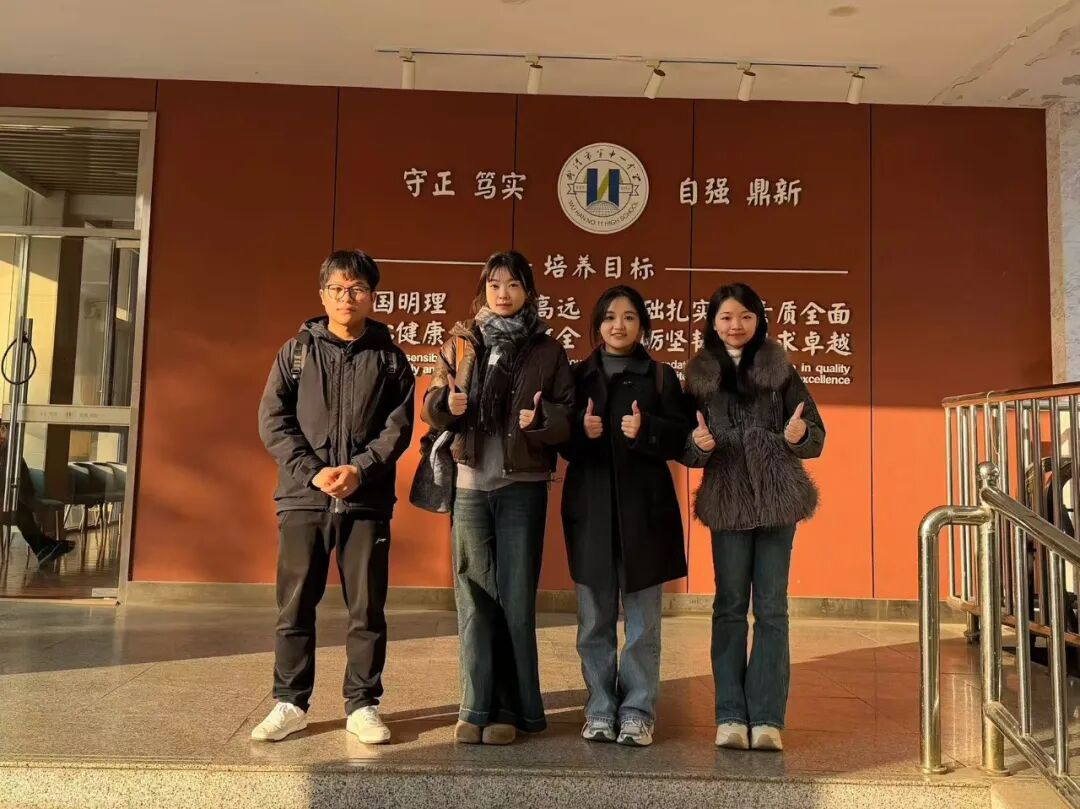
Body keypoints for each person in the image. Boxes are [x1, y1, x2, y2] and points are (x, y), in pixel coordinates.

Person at [253, 249, 415, 744]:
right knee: (294, 606)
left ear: (372, 296)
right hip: (303, 499)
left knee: (367, 609)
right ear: (322, 295)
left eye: (358, 288)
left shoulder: (391, 359)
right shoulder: (296, 353)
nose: (348, 297)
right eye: (338, 289)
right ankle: (290, 702)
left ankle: (363, 705)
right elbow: (273, 421)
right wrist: (314, 472)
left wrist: (360, 470)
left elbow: (397, 429)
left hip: (366, 502)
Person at [422, 250, 574, 746]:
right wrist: (446, 404)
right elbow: (430, 402)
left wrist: (544, 420)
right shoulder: (461, 342)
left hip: (521, 487)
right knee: (472, 597)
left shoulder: (547, 350)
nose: (502, 294)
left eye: (512, 285)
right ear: (483, 290)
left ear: (528, 291)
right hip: (470, 485)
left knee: (516, 599)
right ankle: (475, 707)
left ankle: (509, 709)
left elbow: (568, 416)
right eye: (494, 285)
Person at [683, 282, 825, 752]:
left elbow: (816, 434)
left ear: (759, 320)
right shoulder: (699, 376)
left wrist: (799, 435)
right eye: (726, 317)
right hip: (728, 500)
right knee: (728, 608)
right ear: (712, 322)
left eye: (745, 316)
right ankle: (729, 715)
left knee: (771, 608)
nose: (736, 325)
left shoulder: (781, 370)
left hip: (777, 500)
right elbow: (685, 443)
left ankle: (766, 718)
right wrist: (697, 446)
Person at [560, 286, 690, 748]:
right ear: (597, 324)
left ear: (642, 326)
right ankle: (599, 708)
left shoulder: (660, 376)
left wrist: (647, 429)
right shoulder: (578, 376)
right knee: (593, 621)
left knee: (643, 625)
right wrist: (581, 431)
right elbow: (558, 440)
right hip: (591, 513)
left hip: (644, 516)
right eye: (610, 317)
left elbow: (683, 437)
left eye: (629, 317)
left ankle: (637, 710)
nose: (619, 325)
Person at [0, 422, 74, 566]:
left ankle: (44, 548)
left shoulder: (8, 453)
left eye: (3, 430)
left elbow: (21, 479)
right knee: (20, 511)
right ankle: (45, 547)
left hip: (12, 499)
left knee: (21, 511)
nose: (3, 434)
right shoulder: (6, 453)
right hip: (7, 501)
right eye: (3, 430)